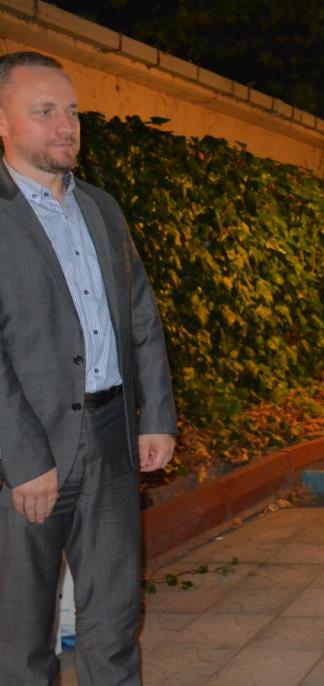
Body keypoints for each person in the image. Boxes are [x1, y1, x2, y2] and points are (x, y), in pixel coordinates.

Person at [0, 51, 178, 685]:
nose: (65, 126)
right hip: (24, 457)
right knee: (20, 640)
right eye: (44, 111)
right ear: (2, 121)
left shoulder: (101, 208)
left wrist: (155, 417)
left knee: (114, 624)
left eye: (72, 112)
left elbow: (141, 315)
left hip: (111, 439)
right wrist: (25, 459)